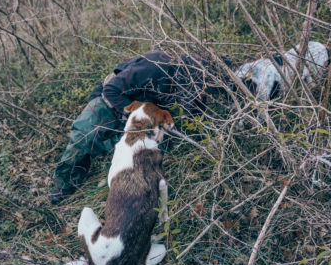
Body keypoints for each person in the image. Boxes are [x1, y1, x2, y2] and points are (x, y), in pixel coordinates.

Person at [50, 50, 233, 204]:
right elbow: (112, 90)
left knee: (145, 149)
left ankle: (113, 158)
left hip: (145, 118)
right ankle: (63, 185)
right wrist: (135, 114)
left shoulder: (195, 86)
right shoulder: (156, 66)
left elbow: (194, 118)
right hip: (111, 101)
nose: (201, 91)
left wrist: (204, 146)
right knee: (84, 138)